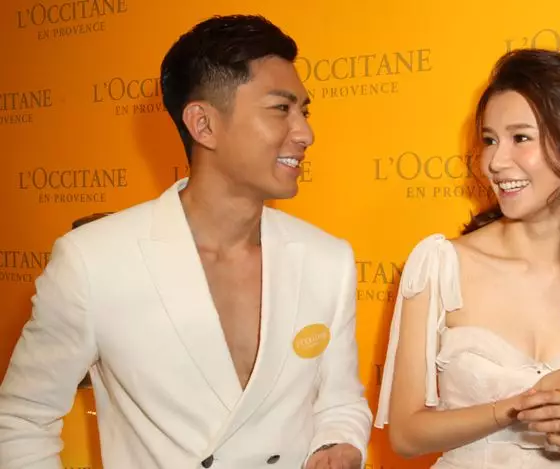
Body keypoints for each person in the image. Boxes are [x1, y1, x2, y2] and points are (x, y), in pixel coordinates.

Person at [0, 15, 372, 469]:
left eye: (304, 112)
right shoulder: (93, 261)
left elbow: (340, 401)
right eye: (281, 108)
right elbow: (21, 420)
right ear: (203, 124)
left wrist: (338, 443)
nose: (305, 133)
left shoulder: (327, 260)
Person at [375, 48, 560, 468]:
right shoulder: (441, 265)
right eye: (490, 140)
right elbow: (406, 436)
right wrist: (523, 405)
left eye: (521, 138)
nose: (495, 163)